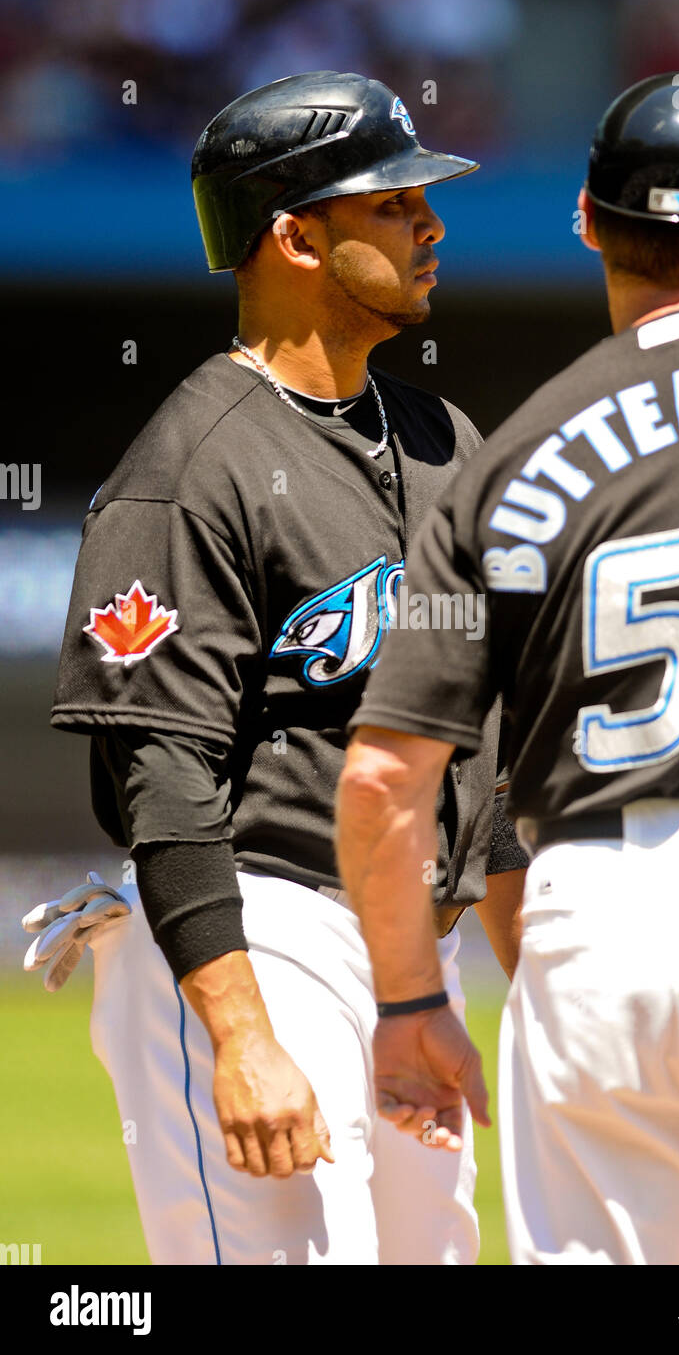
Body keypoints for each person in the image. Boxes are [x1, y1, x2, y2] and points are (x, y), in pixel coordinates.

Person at [336, 71, 679, 1265]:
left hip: (593, 921)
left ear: (584, 217)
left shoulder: (509, 449)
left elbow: (380, 778)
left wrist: (414, 1001)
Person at [38, 70, 526, 1266]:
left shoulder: (437, 436)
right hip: (264, 928)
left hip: (411, 951)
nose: (431, 226)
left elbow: (485, 743)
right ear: (295, 236)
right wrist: (242, 1035)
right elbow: (161, 770)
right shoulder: (186, 465)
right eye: (393, 204)